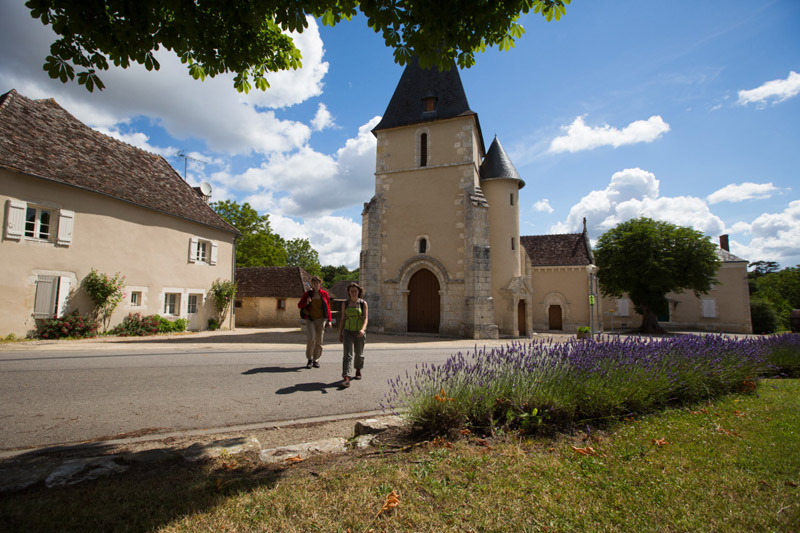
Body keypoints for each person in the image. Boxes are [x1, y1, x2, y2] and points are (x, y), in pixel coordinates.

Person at [337, 282, 368, 388]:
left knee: (359, 354)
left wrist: (363, 330)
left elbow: (366, 319)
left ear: (359, 292)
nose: (354, 293)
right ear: (348, 293)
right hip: (348, 331)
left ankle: (358, 369)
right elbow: (342, 319)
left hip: (359, 332)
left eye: (355, 291)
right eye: (351, 291)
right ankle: (346, 377)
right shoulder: (345, 304)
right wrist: (340, 333)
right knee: (347, 354)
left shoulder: (363, 303)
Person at [297, 276, 332, 368]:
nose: (316, 285)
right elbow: (299, 305)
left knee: (319, 340)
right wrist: (307, 302)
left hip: (321, 319)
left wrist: (329, 320)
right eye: (314, 283)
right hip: (310, 319)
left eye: (317, 283)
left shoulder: (324, 294)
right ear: (311, 284)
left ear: (320, 284)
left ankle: (316, 360)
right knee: (311, 339)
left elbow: (328, 308)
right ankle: (309, 359)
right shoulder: (307, 294)